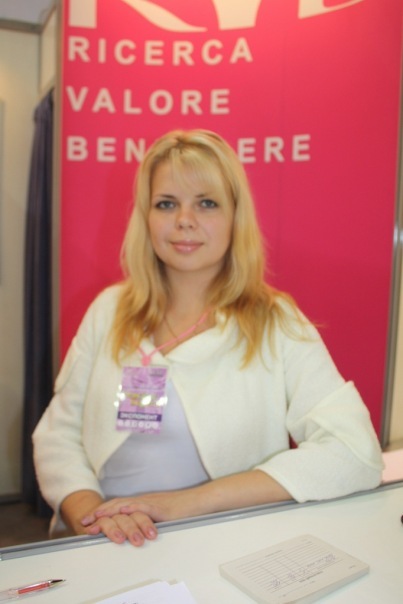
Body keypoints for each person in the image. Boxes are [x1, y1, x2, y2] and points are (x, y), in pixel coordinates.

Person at [33, 129, 383, 547]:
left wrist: (186, 504)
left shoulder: (275, 322)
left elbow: (354, 451)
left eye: (207, 203)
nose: (184, 220)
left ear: (236, 217)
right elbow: (58, 435)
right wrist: (93, 517)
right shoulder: (108, 310)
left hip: (226, 542)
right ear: (146, 216)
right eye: (167, 203)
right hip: (105, 543)